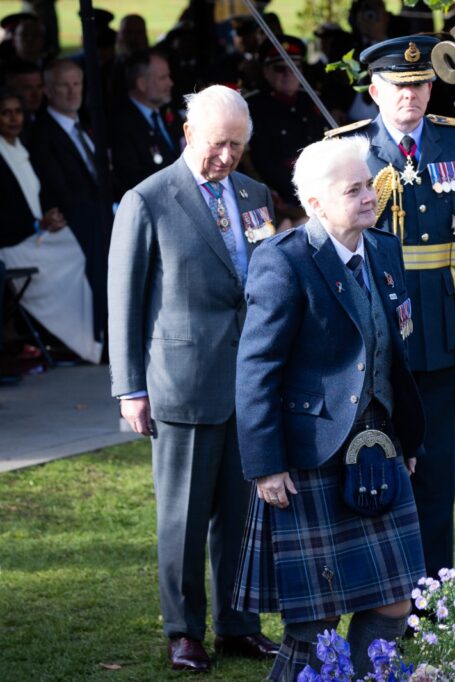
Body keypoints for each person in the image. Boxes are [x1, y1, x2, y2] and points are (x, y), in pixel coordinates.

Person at [234, 136, 426, 680]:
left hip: (378, 444)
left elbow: (393, 353)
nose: (371, 197)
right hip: (310, 455)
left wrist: (405, 440)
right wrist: (266, 463)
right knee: (314, 622)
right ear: (316, 203)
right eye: (355, 190)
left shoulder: (385, 250)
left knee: (394, 603)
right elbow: (256, 369)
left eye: (370, 184)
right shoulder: (284, 261)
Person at [107, 84, 278, 673]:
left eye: (236, 145)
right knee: (181, 519)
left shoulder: (255, 195)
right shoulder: (148, 200)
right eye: (215, 144)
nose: (225, 157)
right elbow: (123, 301)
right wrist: (130, 386)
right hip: (181, 382)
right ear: (187, 135)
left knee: (242, 512)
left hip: (249, 383)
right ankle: (184, 632)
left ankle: (238, 625)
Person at [328, 35, 455, 580]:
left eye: (420, 85)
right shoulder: (349, 150)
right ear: (375, 91)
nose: (411, 96)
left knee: (439, 471)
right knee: (377, 462)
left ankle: (434, 595)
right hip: (380, 333)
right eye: (399, 86)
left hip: (444, 326)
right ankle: (385, 592)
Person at [0, 88, 101, 364]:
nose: (13, 119)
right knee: (78, 252)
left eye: (17, 112)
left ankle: (90, 335)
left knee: (85, 243)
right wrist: (36, 223)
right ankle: (73, 337)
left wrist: (47, 217)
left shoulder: (21, 148)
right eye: (5, 113)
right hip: (12, 244)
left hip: (34, 234)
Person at [30, 59, 110, 346]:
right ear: (49, 91)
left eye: (77, 84)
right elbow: (59, 188)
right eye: (64, 85)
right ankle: (105, 334)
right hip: (73, 221)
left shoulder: (85, 126)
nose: (72, 91)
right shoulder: (41, 133)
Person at [245, 35, 325, 211]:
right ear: (266, 71)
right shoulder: (253, 107)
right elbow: (257, 162)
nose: (289, 75)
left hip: (319, 192)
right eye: (280, 69)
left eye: (294, 68)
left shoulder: (312, 100)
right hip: (277, 199)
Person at [110, 50, 181, 196]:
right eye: (163, 78)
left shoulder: (167, 112)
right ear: (142, 84)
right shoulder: (122, 126)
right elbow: (133, 181)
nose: (171, 83)